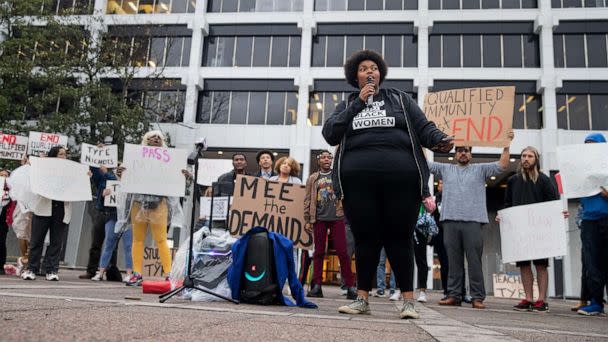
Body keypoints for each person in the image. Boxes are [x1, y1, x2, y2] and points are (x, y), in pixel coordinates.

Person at [322, 49, 453, 319]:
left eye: (374, 68)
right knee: (366, 240)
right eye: (363, 69)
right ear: (354, 77)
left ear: (380, 73)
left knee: (399, 239)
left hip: (402, 182)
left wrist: (440, 139)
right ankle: (362, 299)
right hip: (358, 185)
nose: (369, 72)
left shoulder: (400, 100)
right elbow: (330, 133)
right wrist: (358, 103)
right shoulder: (348, 104)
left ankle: (407, 301)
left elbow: (424, 128)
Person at [430, 131, 513, 309]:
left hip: (473, 221)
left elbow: (503, 165)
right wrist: (421, 142)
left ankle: (477, 297)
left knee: (474, 261)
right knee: (453, 261)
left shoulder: (480, 169)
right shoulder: (446, 169)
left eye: (466, 150)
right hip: (450, 221)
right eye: (459, 150)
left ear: (471, 154)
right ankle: (454, 295)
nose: (463, 153)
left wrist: (507, 144)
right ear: (454, 154)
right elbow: (425, 164)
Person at [116, 131, 186, 286]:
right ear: (145, 141)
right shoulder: (135, 157)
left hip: (159, 204)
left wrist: (182, 175)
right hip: (138, 203)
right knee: (138, 239)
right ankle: (137, 273)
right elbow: (126, 177)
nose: (155, 139)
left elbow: (175, 178)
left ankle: (169, 273)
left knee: (161, 239)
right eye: (151, 137)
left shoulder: (169, 160)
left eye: (158, 138)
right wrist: (120, 173)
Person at [502, 146, 563, 312]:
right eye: (523, 156)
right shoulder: (513, 181)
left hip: (539, 231)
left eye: (530, 156)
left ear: (536, 159)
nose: (526, 158)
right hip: (520, 230)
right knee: (523, 265)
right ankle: (528, 298)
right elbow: (507, 204)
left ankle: (541, 300)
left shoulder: (544, 180)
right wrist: (502, 216)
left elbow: (553, 203)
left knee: (541, 265)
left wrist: (558, 215)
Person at [303, 150, 356, 300]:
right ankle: (317, 286)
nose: (326, 159)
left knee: (343, 252)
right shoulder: (313, 178)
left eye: (329, 157)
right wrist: (307, 219)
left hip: (337, 217)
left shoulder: (338, 176)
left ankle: (350, 287)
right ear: (318, 160)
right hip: (318, 218)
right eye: (323, 157)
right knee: (319, 252)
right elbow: (307, 200)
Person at [22, 146, 76, 281]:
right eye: (60, 154)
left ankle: (51, 270)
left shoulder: (70, 171)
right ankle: (31, 269)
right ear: (53, 156)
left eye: (64, 155)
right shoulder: (43, 169)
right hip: (43, 207)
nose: (63, 157)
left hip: (61, 209)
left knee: (56, 242)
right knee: (36, 240)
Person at [576, 133, 608, 316]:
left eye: (593, 144)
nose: (589, 147)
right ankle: (596, 302)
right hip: (589, 220)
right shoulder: (581, 168)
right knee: (592, 263)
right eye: (586, 144)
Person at [91, 164, 133, 282]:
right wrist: (104, 195)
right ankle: (101, 272)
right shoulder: (109, 180)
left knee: (128, 246)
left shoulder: (133, 183)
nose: (120, 171)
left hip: (127, 218)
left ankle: (129, 273)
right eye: (119, 169)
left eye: (123, 169)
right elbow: (102, 198)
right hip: (113, 216)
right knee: (109, 244)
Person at [0, 169, 15, 275]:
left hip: (2, 221)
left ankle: (1, 265)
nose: (4, 177)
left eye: (6, 176)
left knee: (1, 242)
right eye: (1, 175)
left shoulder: (11, 191)